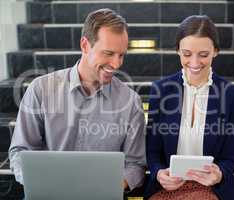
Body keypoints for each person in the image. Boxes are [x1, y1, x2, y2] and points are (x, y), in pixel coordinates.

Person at [9, 8, 145, 191]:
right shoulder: (41, 90)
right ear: (85, 45)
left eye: (121, 55)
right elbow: (20, 152)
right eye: (108, 53)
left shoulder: (131, 101)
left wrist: (110, 187)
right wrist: (41, 183)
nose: (116, 64)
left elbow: (136, 164)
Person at [145, 15, 234, 200]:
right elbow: (152, 151)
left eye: (204, 55)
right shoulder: (161, 90)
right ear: (178, 51)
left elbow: (230, 159)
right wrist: (158, 173)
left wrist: (219, 174)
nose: (195, 63)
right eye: (187, 54)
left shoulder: (232, 95)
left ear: (216, 51)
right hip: (167, 187)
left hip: (212, 189)